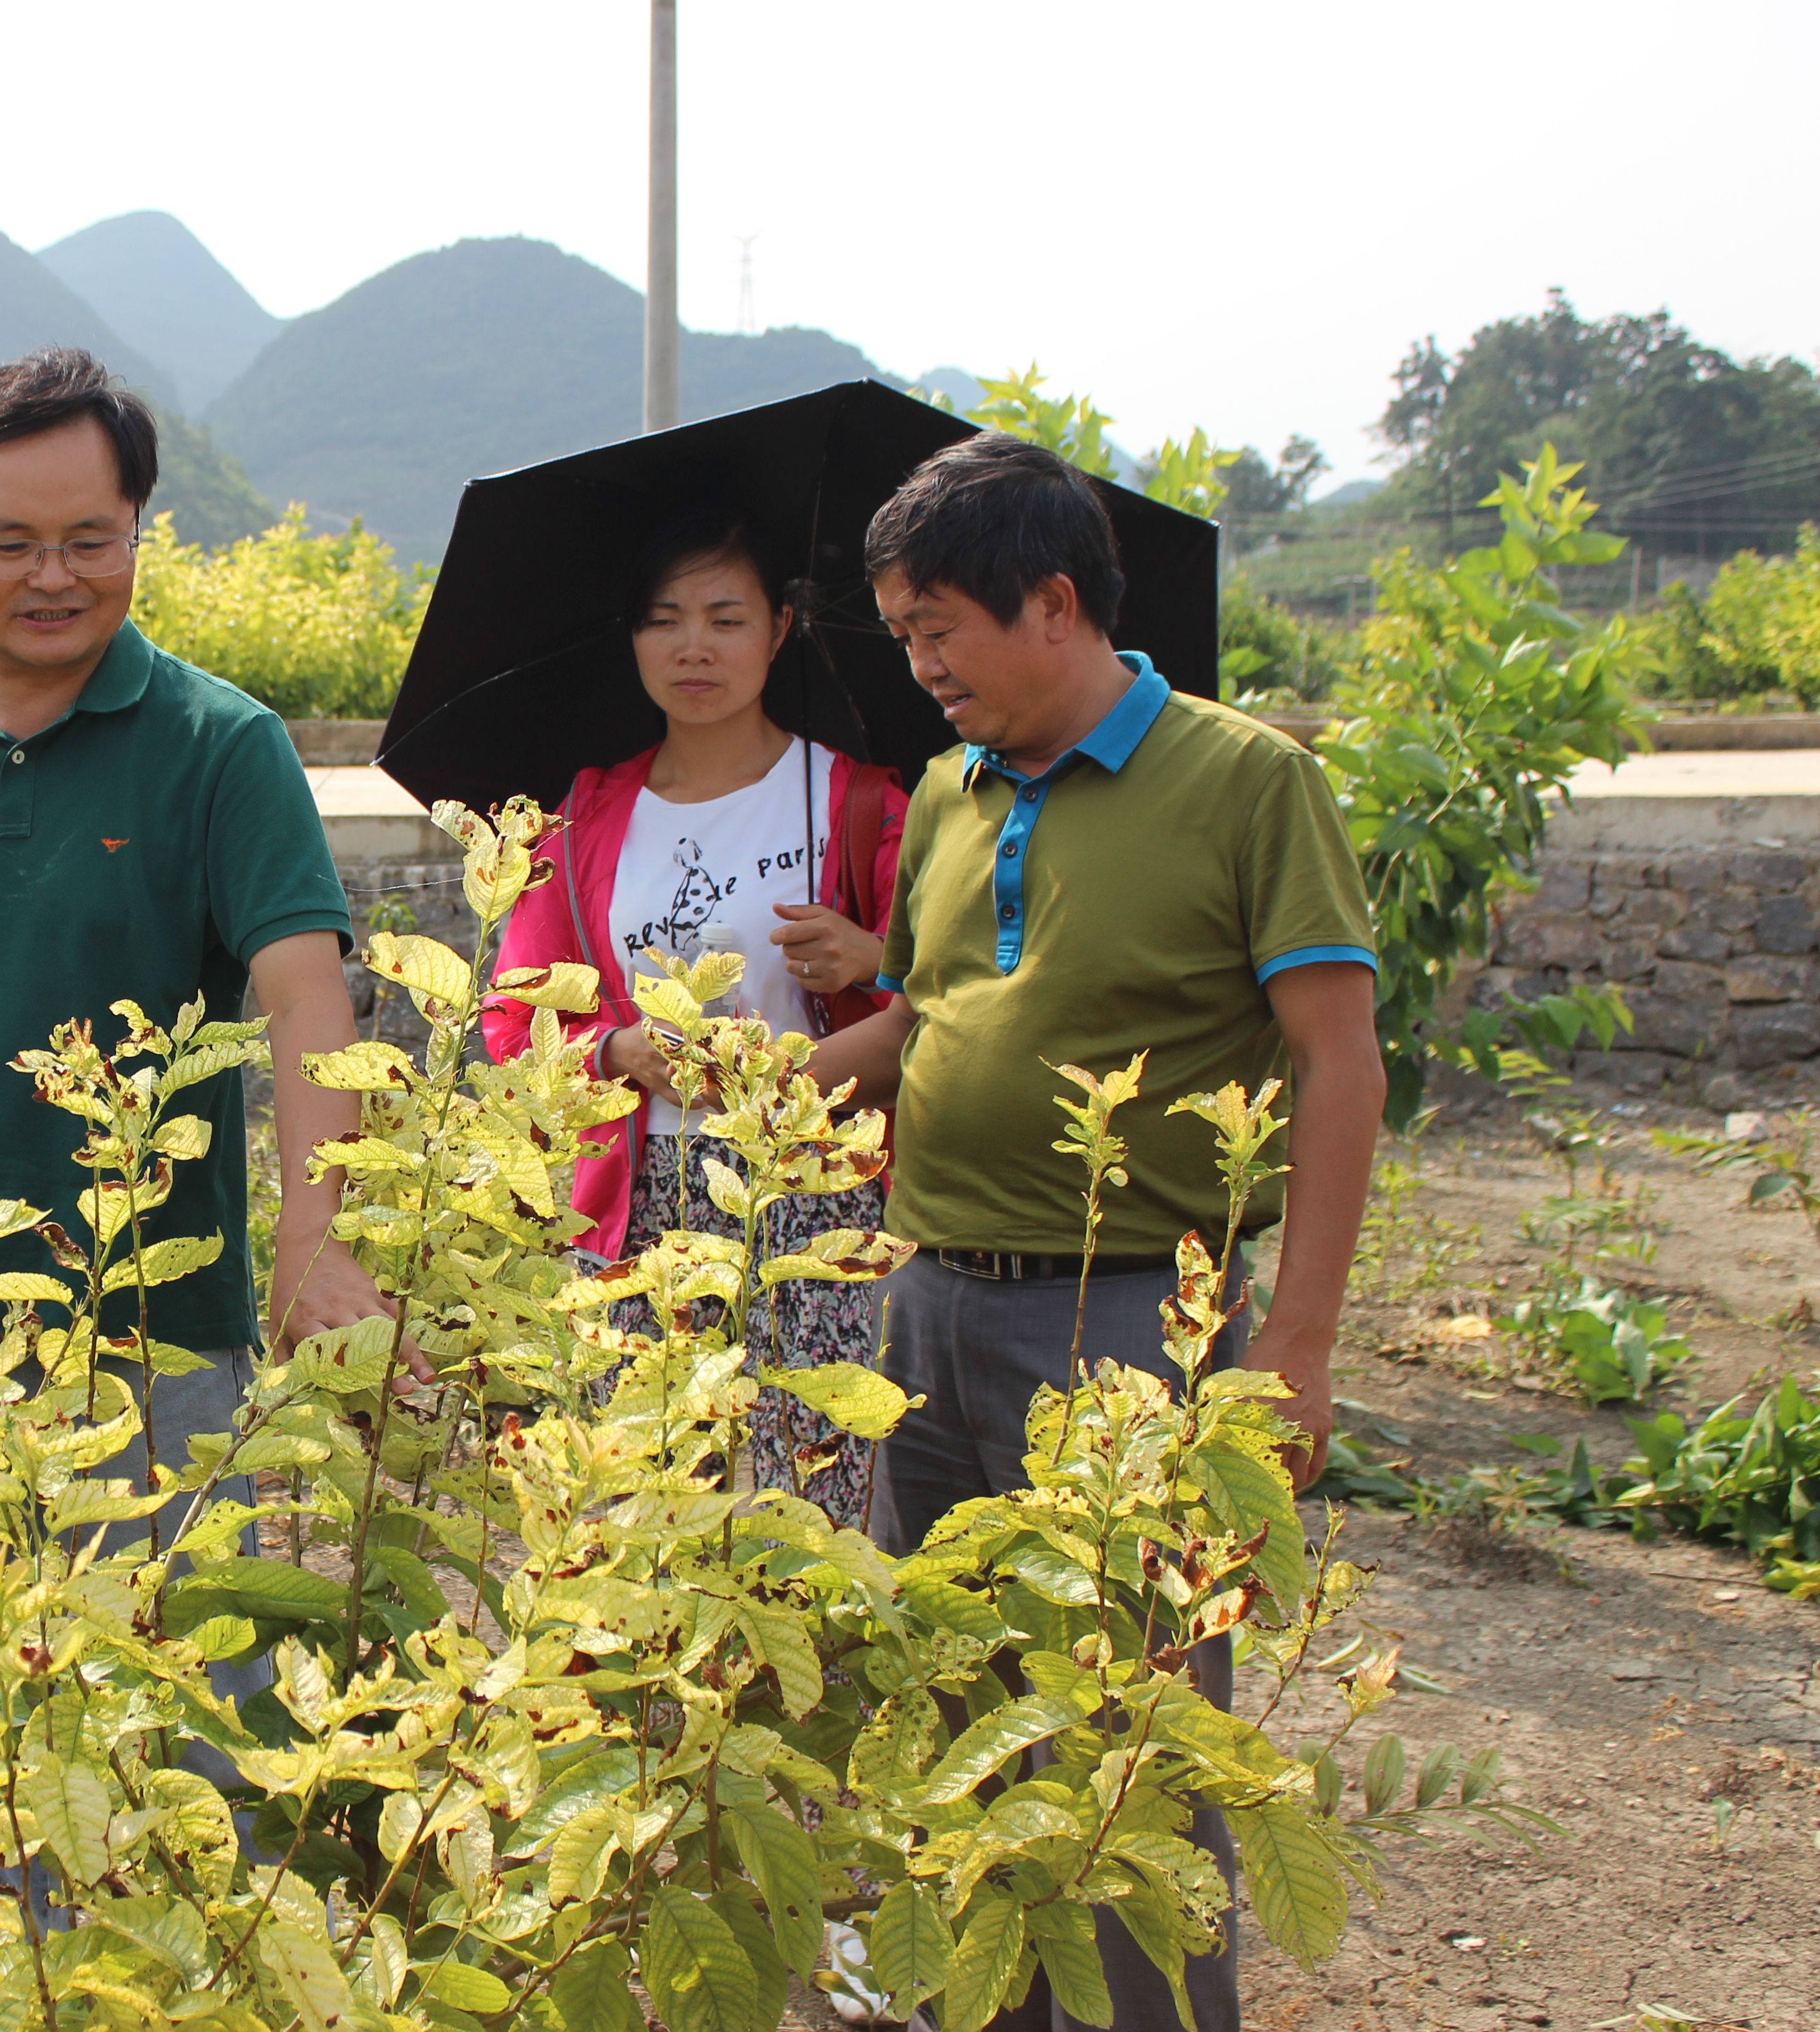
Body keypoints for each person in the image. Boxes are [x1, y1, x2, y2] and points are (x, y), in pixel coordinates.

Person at [812, 432, 1384, 2032]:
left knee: (1129, 1741)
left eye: (940, 630)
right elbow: (935, 1015)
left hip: (1132, 1323)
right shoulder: (950, 787)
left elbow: (1341, 1065)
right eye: (907, 634)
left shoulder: (1245, 781)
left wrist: (1300, 1342)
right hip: (928, 1308)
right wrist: (763, 1086)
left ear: (1052, 603)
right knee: (952, 1702)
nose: (920, 667)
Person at [0, 346, 389, 1439]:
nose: (53, 577)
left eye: (92, 542)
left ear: (138, 527)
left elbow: (304, 1000)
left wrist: (314, 1241)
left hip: (155, 1332)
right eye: (9, 544)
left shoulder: (221, 745)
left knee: (162, 1606)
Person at [483, 505, 909, 1519]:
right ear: (631, 639)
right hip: (639, 1200)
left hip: (816, 1189)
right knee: (639, 1509)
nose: (694, 648)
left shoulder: (856, 799)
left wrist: (874, 955)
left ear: (782, 629)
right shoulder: (585, 817)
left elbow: (953, 996)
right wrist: (619, 1048)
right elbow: (516, 1020)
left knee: (827, 1493)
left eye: (726, 618)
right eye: (664, 619)